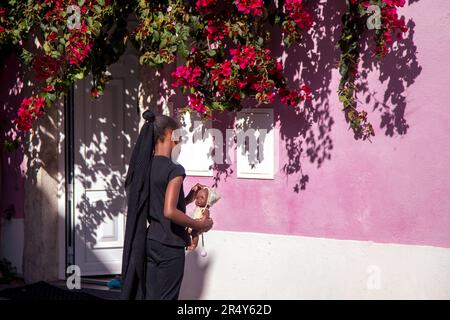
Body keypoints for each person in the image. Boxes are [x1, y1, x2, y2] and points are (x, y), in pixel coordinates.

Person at [120, 109, 213, 300]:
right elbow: (169, 211)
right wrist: (199, 225)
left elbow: (158, 200)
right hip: (169, 246)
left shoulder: (144, 167)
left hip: (150, 241)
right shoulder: (175, 169)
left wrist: (187, 198)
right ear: (171, 135)